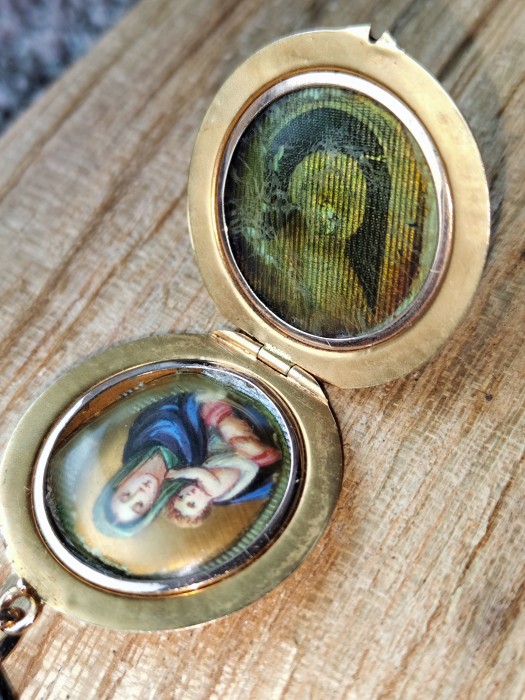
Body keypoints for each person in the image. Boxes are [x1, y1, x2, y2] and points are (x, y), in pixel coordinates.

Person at [93, 391, 282, 537]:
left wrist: (223, 419)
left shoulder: (141, 440)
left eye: (126, 494)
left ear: (120, 483)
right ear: (150, 507)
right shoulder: (179, 488)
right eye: (140, 504)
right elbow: (262, 482)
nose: (140, 492)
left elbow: (180, 398)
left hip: (233, 401)